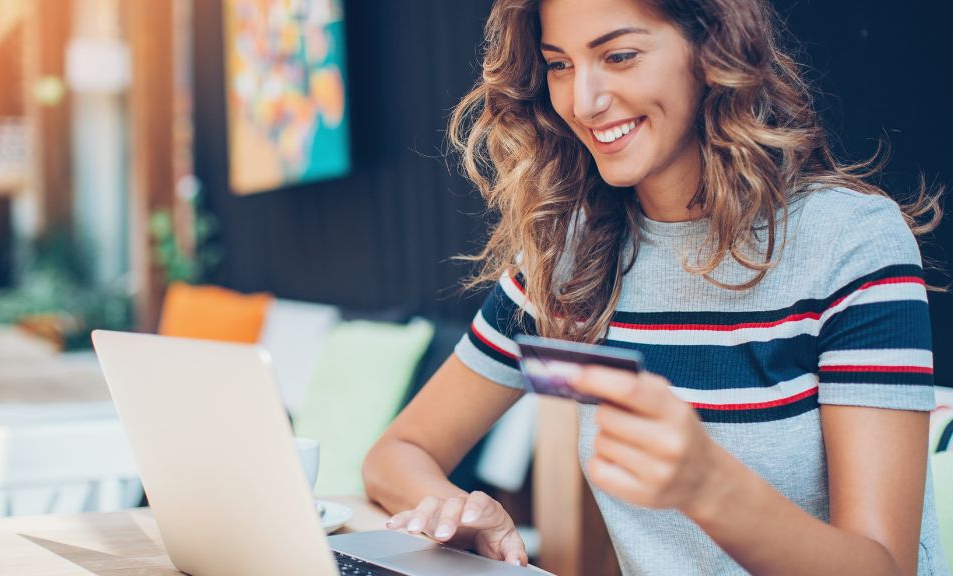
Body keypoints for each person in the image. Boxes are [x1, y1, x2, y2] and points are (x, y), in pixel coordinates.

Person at [361, 0, 948, 573]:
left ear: (711, 49)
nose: (583, 102)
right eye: (559, 64)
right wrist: (455, 510)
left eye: (618, 56)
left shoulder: (849, 244)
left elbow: (884, 566)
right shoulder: (568, 260)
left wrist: (711, 487)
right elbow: (398, 454)